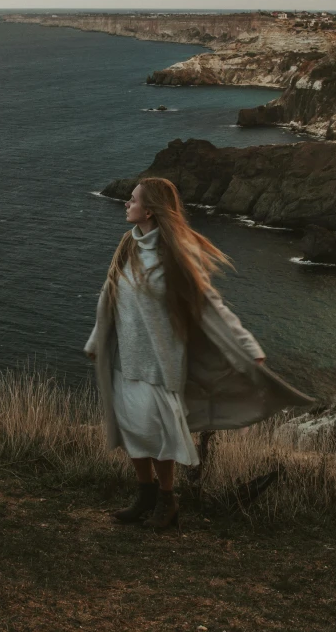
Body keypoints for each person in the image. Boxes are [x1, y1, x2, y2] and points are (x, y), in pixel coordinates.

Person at [84, 177, 314, 530]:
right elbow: (109, 294)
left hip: (160, 361)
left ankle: (166, 500)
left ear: (150, 210)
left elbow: (209, 304)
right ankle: (144, 496)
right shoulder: (127, 245)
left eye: (132, 200)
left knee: (158, 433)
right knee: (133, 428)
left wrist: (247, 345)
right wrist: (96, 339)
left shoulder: (175, 253)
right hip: (126, 357)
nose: (126, 205)